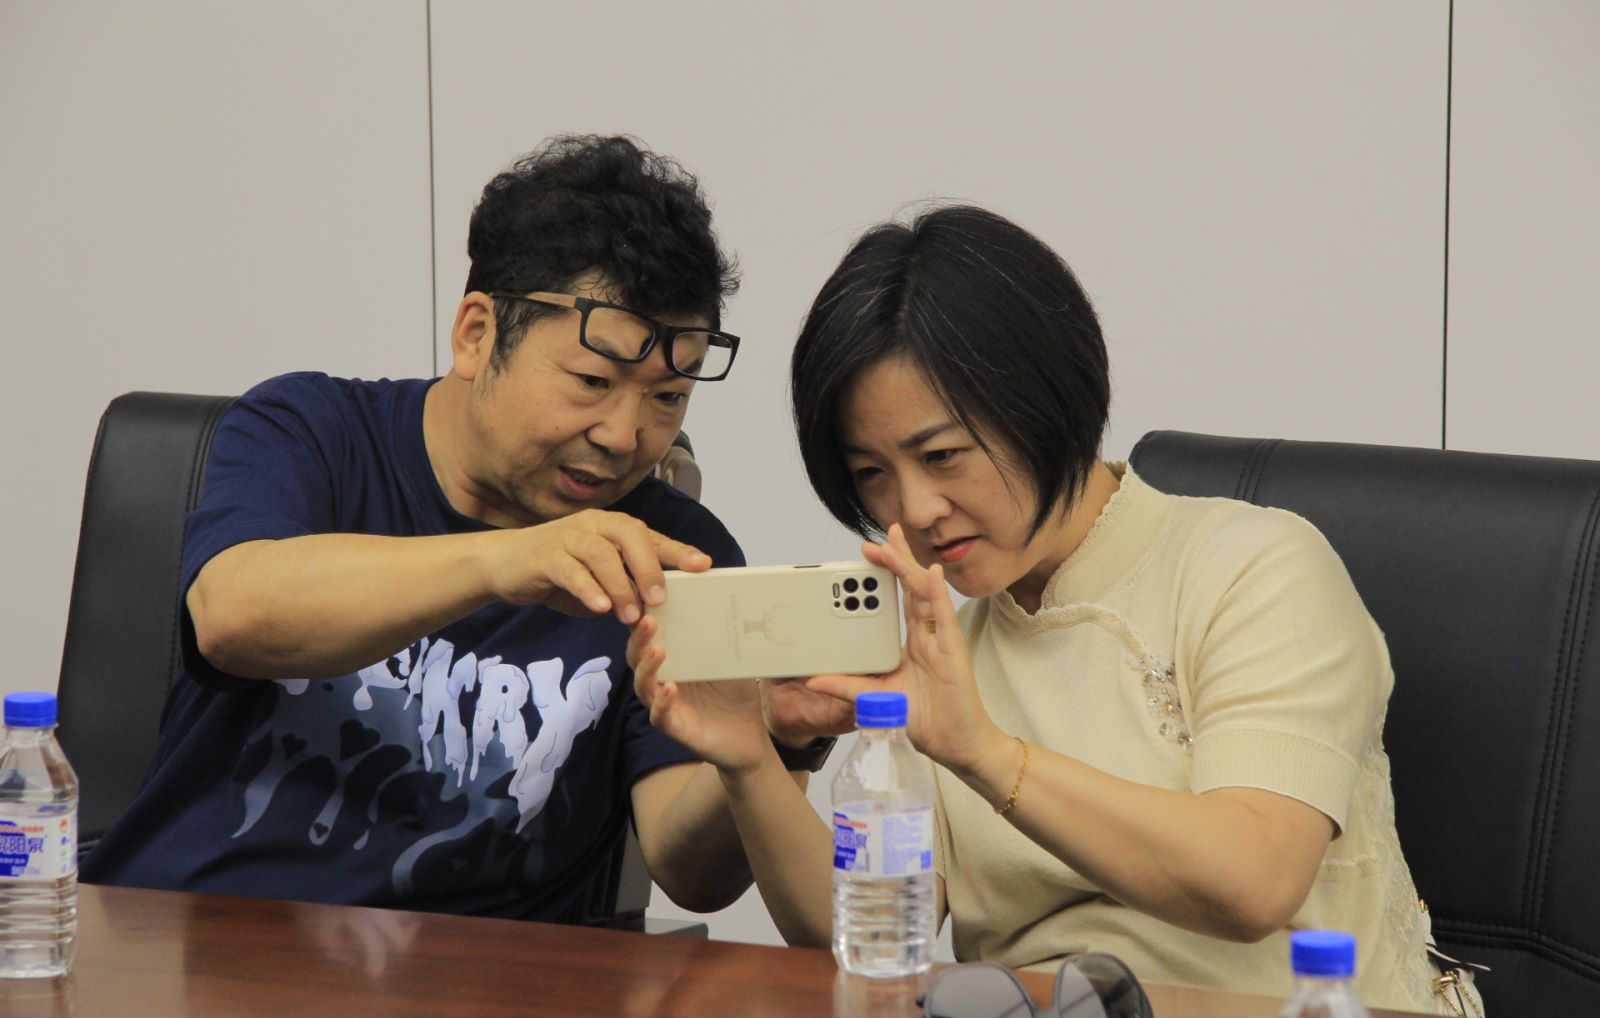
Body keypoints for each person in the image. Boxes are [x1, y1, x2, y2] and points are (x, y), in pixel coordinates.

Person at [628, 204, 1459, 1013]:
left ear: (1043, 402)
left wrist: (985, 754)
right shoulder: (948, 648)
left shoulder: (1254, 568)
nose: (914, 510)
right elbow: (867, 938)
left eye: (941, 455)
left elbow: (1253, 881)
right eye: (872, 475)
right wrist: (752, 760)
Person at [82, 134, 826, 923]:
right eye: (591, 380)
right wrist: (510, 560)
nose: (623, 435)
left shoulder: (671, 555)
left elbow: (690, 871)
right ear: (477, 334)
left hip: (483, 972)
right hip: (192, 943)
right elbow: (233, 616)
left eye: (668, 398)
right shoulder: (310, 431)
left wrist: (765, 747)